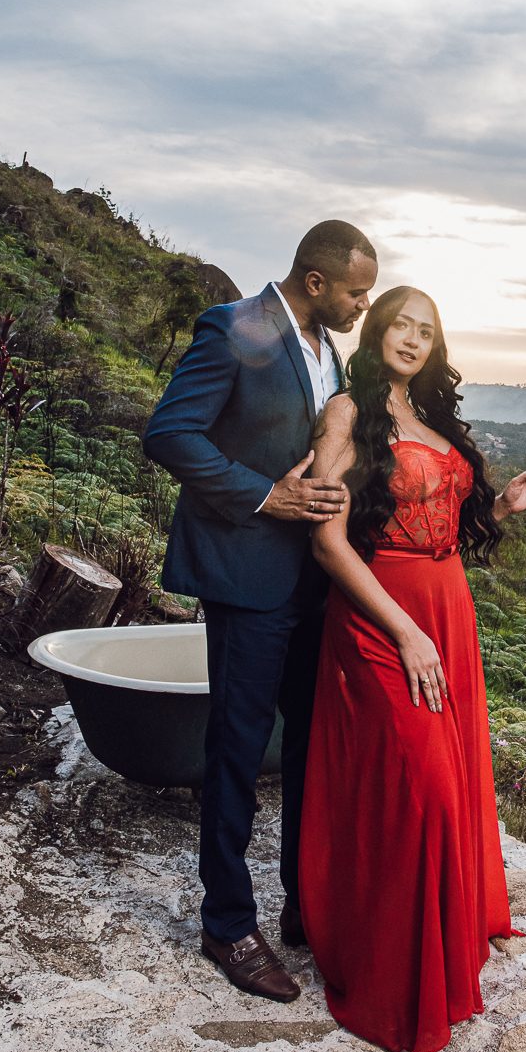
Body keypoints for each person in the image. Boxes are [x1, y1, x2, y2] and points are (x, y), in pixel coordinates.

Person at [299, 286, 526, 1052]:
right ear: (377, 331)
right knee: (427, 791)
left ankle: (443, 938)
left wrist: (500, 507)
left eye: (425, 331)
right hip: (385, 617)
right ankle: (395, 977)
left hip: (447, 610)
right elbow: (327, 541)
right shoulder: (347, 413)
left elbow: (440, 526)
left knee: (450, 774)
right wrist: (406, 633)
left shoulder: (428, 417)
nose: (412, 339)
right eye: (400, 326)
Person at [142, 221, 378, 1003]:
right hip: (247, 578)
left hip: (314, 581)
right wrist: (263, 494)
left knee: (311, 751)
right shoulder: (233, 327)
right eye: (355, 291)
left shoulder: (329, 351)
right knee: (237, 753)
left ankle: (303, 905)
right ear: (315, 282)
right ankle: (227, 923)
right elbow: (170, 434)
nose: (362, 304)